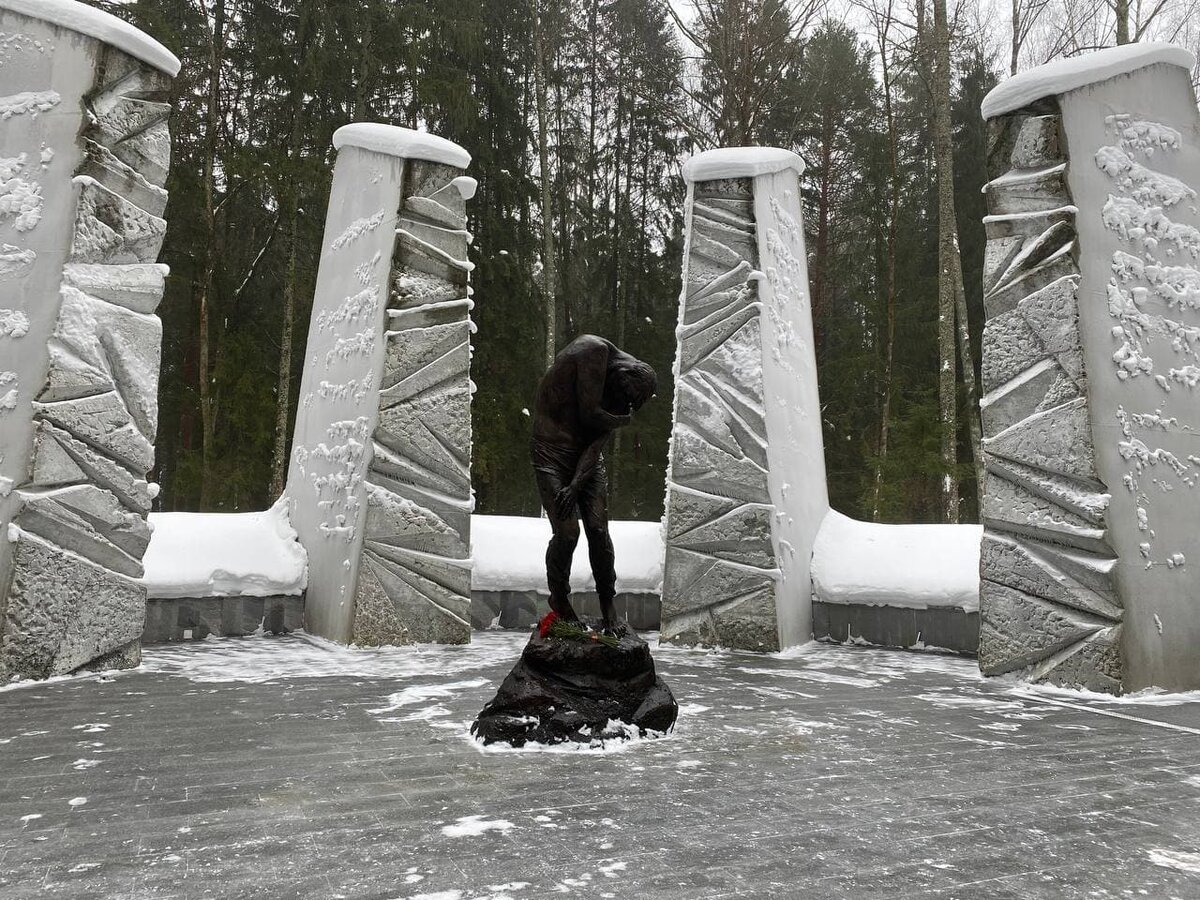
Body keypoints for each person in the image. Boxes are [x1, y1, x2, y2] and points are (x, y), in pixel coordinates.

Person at [530, 334, 656, 633]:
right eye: (622, 393)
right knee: (568, 532)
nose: (620, 401)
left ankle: (608, 605)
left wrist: (576, 484)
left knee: (599, 530)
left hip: (584, 458)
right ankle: (559, 599)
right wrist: (624, 421)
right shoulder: (592, 351)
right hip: (551, 451)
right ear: (623, 372)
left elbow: (596, 441)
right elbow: (590, 414)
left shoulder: (618, 389)